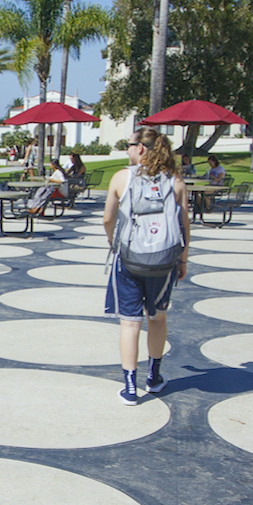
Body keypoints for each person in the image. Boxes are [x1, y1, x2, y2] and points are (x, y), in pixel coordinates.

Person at [102, 127, 190, 405]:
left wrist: (112, 242)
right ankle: (154, 376)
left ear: (140, 148)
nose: (127, 149)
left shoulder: (121, 178)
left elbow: (108, 218)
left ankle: (130, 385)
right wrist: (183, 258)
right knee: (157, 318)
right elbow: (184, 224)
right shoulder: (174, 181)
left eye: (129, 145)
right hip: (164, 261)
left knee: (129, 323)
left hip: (128, 258)